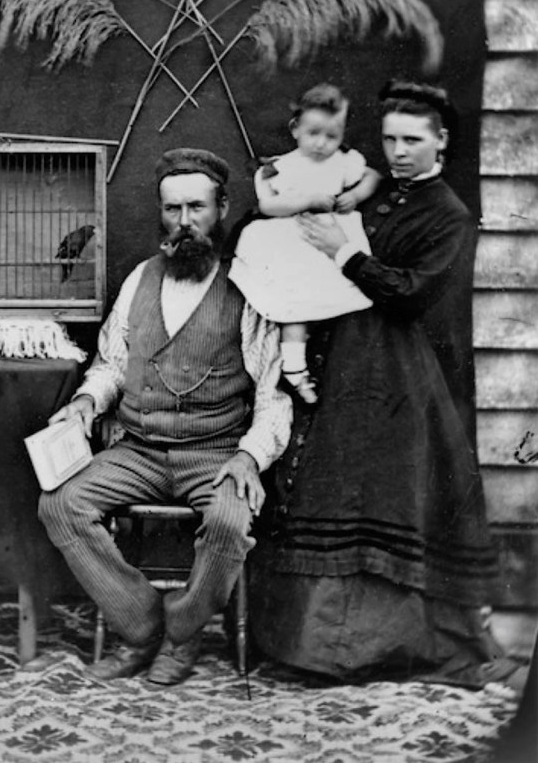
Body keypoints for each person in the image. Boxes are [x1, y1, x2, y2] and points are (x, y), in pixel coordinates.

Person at [248, 79, 503, 687]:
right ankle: (310, 645)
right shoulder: (379, 189)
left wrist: (343, 253)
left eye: (412, 140)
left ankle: (372, 648)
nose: (398, 151)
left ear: (442, 141)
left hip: (395, 370)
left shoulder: (449, 213)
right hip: (346, 357)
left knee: (378, 495)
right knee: (331, 488)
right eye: (389, 138)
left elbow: (413, 295)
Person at [38, 147, 292, 685]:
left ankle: (184, 631)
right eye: (172, 209)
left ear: (222, 208)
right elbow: (111, 364)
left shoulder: (249, 288)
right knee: (60, 503)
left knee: (229, 519)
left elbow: (273, 394)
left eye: (196, 208)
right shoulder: (139, 279)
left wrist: (250, 456)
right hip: (139, 448)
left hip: (216, 451)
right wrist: (86, 402)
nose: (184, 222)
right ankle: (140, 627)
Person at [228, 83, 380, 404]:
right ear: (295, 129)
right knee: (295, 308)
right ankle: (295, 370)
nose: (323, 144)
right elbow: (268, 206)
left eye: (332, 136)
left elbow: (372, 177)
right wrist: (306, 199)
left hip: (331, 243)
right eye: (314, 133)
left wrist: (355, 194)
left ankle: (338, 371)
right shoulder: (284, 166)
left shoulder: (343, 161)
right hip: (295, 244)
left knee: (344, 304)